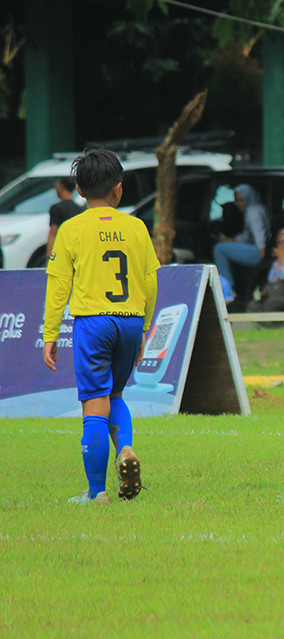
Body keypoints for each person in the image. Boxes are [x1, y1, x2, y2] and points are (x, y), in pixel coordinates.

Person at [43, 148, 160, 503]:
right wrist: (143, 327)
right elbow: (150, 281)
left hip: (93, 323)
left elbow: (58, 285)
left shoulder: (71, 229)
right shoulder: (137, 227)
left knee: (94, 402)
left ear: (79, 190)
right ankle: (125, 448)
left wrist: (50, 334)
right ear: (118, 189)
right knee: (116, 394)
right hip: (130, 321)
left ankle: (97, 493)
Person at [213, 184, 270, 299]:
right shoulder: (251, 210)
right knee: (222, 246)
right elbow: (245, 237)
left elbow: (260, 237)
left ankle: (227, 291)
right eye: (236, 200)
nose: (237, 203)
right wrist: (227, 240)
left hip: (257, 252)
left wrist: (261, 255)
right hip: (255, 249)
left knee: (219, 249)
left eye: (241, 200)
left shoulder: (254, 212)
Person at [247, 228, 284, 313]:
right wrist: (263, 294)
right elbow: (271, 281)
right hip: (273, 295)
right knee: (253, 305)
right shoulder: (276, 264)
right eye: (281, 242)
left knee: (270, 304)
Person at [46, 177, 84, 260]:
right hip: (77, 251)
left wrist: (49, 256)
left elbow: (53, 233)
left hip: (63, 251)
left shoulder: (56, 208)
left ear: (61, 186)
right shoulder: (80, 209)